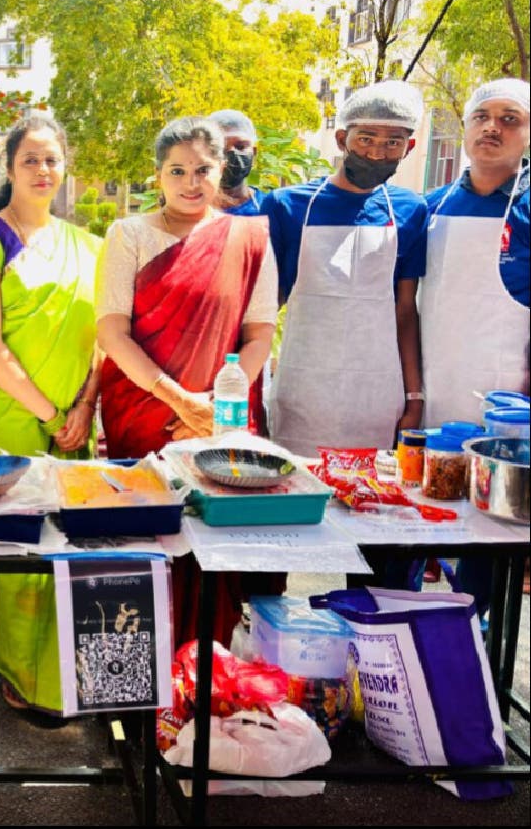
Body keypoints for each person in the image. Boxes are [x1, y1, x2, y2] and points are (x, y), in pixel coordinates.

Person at [96, 116, 281, 645]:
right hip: (143, 412)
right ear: (158, 175)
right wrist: (179, 401)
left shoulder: (250, 237)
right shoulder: (129, 234)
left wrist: (215, 408)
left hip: (219, 420)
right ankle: (139, 674)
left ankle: (204, 671)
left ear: (222, 169)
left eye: (203, 169)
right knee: (147, 543)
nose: (190, 182)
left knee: (211, 545)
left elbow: (260, 333)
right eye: (177, 170)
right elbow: (112, 331)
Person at [0, 114, 102, 714]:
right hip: (9, 410)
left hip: (75, 412)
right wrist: (51, 414)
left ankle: (64, 669)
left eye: (52, 159)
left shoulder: (89, 245)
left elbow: (102, 339)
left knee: (69, 542)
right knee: (21, 541)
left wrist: (83, 407)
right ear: (10, 168)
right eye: (30, 160)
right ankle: (19, 668)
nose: (43, 170)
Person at [262, 81, 428, 458]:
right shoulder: (287, 206)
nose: (377, 153)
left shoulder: (410, 210)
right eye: (366, 139)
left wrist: (414, 397)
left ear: (409, 147)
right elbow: (268, 304)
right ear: (342, 139)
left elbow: (405, 310)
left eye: (393, 143)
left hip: (376, 391)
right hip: (303, 387)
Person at [421, 78, 529, 614]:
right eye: (482, 117)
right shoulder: (429, 206)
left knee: (488, 536)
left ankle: (475, 630)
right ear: (464, 127)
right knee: (414, 522)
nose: (493, 128)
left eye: (511, 119)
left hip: (506, 403)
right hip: (430, 391)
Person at [209, 108, 265, 215]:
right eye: (221, 148)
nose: (232, 153)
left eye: (240, 147)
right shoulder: (185, 210)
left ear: (254, 153)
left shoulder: (268, 208)